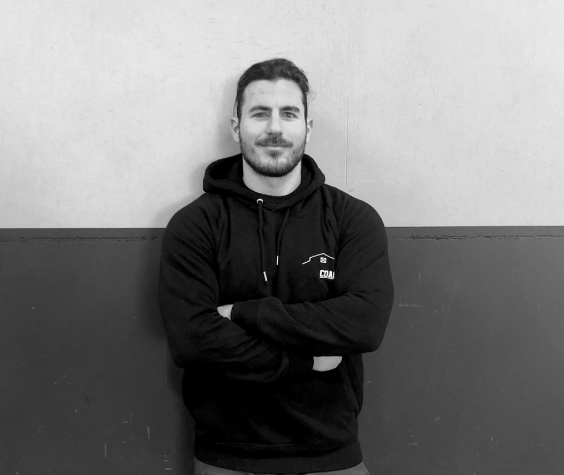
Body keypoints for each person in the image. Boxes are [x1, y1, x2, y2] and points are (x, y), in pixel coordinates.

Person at [159, 58, 394, 475]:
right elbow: (193, 339)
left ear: (307, 126)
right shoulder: (196, 224)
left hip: (330, 452)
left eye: (288, 113)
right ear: (237, 127)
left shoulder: (352, 219)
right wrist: (306, 361)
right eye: (260, 113)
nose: (274, 128)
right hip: (227, 454)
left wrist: (245, 313)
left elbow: (364, 323)